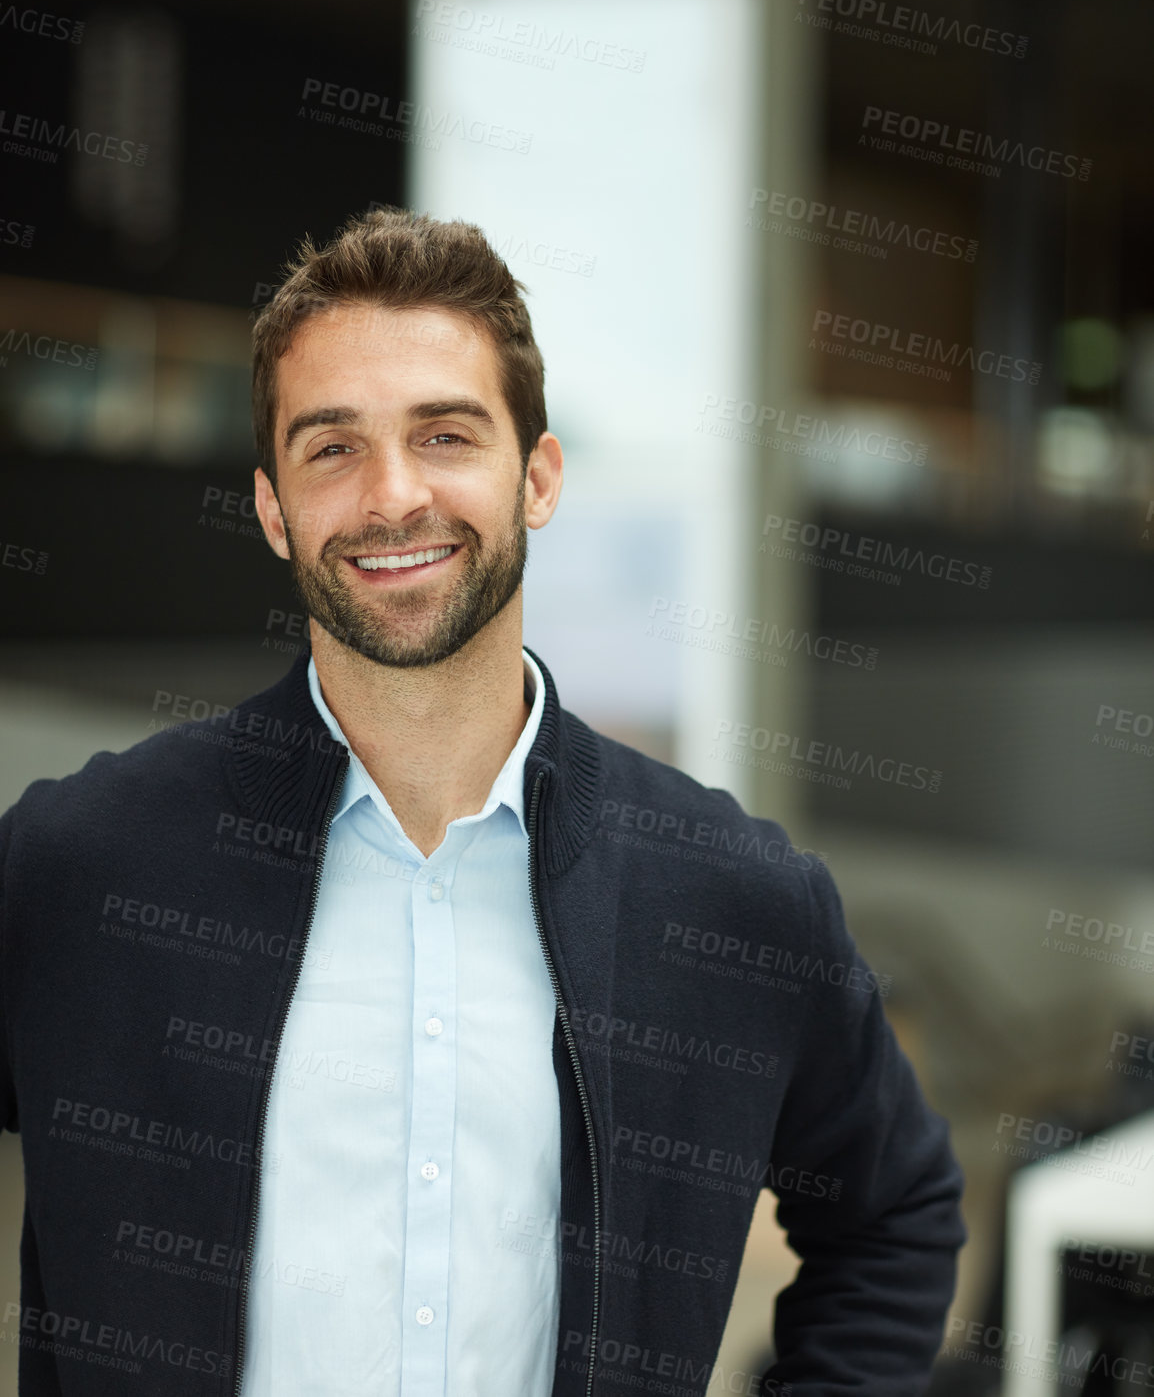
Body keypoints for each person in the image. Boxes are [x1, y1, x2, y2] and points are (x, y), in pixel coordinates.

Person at [0, 207, 966, 1396]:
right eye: (332, 447)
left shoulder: (725, 897)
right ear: (270, 508)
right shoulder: (80, 865)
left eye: (445, 435)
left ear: (538, 476)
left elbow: (895, 1210)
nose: (392, 495)